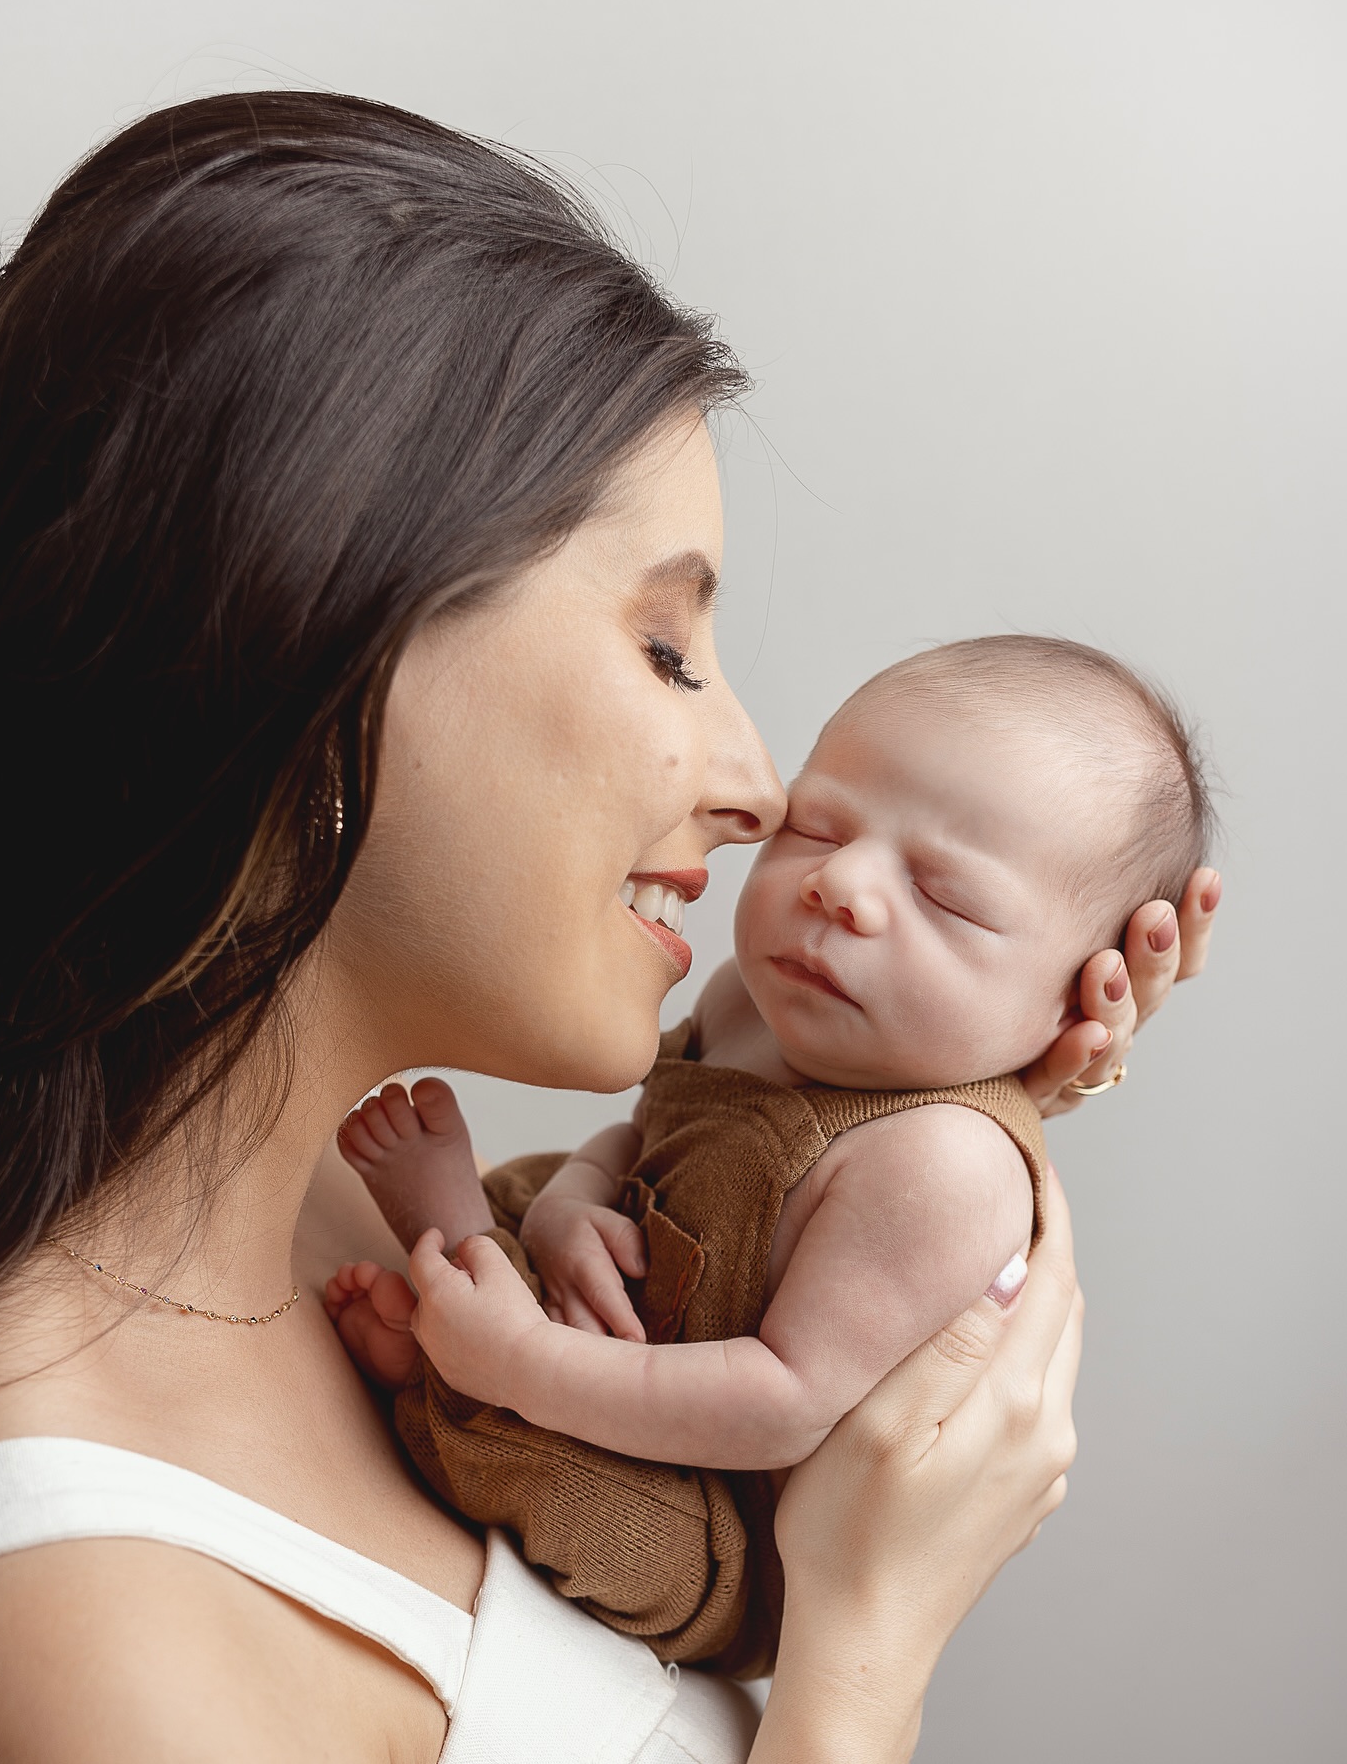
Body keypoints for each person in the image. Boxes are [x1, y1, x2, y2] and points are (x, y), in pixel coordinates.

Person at [0, 92, 1216, 1762]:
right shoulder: (89, 1659)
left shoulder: (319, 1199)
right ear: (316, 636)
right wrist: (866, 1655)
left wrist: (945, 1095)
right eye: (669, 649)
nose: (758, 785)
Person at [328, 635, 1216, 1675]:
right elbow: (643, 1130)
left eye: (947, 897)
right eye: (819, 824)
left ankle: (462, 1355)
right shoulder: (751, 998)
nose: (840, 884)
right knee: (544, 1194)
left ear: (1079, 1001)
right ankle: (471, 1278)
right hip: (628, 1319)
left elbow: (781, 1401)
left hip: (717, 1511)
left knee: (605, 1513)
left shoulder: (948, 1162)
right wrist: (578, 1195)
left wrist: (528, 1366)